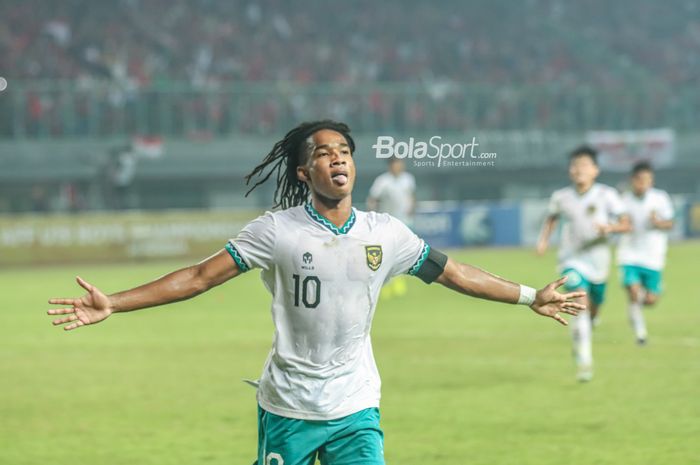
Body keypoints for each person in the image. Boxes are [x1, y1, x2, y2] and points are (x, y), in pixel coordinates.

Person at [49, 120, 584, 465]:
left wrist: (529, 294)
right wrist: (114, 302)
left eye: (346, 151)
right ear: (305, 171)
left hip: (356, 405)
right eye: (325, 152)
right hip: (289, 406)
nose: (339, 158)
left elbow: (453, 272)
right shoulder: (275, 231)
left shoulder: (386, 232)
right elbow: (197, 277)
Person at [536, 145, 630, 382]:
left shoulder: (607, 195)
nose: (578, 170)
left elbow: (626, 224)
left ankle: (588, 327)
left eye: (584, 165)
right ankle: (585, 360)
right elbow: (551, 219)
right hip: (571, 260)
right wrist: (543, 241)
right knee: (580, 302)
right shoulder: (561, 197)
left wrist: (611, 228)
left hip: (599, 261)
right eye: (575, 166)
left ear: (595, 170)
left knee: (594, 307)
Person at [617, 161, 674, 345]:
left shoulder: (660, 198)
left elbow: (670, 223)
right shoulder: (623, 200)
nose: (643, 183)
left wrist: (658, 222)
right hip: (629, 254)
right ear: (632, 180)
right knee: (633, 291)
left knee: (650, 300)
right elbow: (616, 224)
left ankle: (644, 300)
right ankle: (641, 335)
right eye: (640, 179)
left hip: (653, 256)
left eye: (647, 180)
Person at [367, 156, 416, 297]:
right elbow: (373, 199)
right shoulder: (383, 181)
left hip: (405, 222)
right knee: (386, 254)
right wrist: (373, 217)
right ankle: (385, 284)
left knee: (404, 254)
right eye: (395, 163)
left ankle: (399, 282)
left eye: (400, 163)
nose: (398, 166)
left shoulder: (408, 179)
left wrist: (412, 208)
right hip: (387, 223)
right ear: (390, 166)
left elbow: (411, 196)